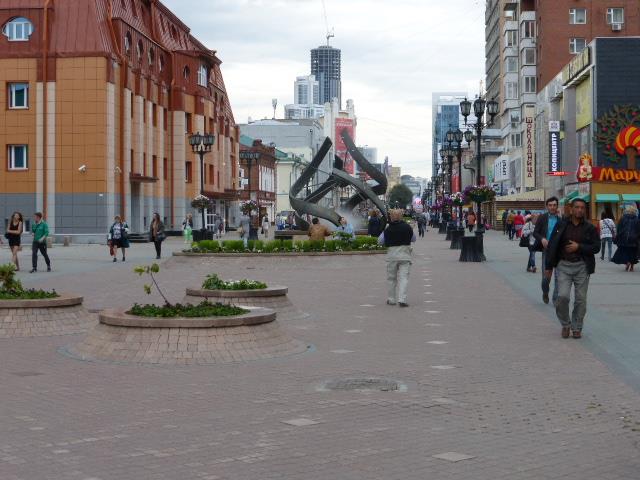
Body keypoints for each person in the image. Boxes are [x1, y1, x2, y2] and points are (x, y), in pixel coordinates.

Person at [545, 198, 600, 339]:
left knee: (581, 299)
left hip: (582, 266)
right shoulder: (562, 224)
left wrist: (579, 247)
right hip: (563, 266)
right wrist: (549, 267)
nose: (580, 210)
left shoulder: (590, 227)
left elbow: (596, 247)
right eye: (577, 207)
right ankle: (565, 324)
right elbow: (552, 245)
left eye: (582, 207)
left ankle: (577, 327)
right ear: (571, 209)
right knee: (562, 297)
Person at [378, 209, 416, 307]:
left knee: (391, 278)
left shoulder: (388, 228)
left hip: (392, 256)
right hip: (405, 255)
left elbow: (380, 241)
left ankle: (391, 299)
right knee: (404, 278)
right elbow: (414, 238)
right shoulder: (407, 227)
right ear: (401, 216)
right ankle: (402, 299)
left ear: (391, 217)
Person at [533, 196, 561, 305]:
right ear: (547, 206)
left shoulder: (561, 219)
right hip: (547, 250)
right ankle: (545, 292)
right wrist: (542, 239)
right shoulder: (542, 218)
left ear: (557, 206)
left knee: (559, 277)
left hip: (558, 251)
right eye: (550, 205)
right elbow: (535, 233)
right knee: (546, 277)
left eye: (554, 205)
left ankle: (555, 298)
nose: (552, 207)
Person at [611, 204, 640, 272]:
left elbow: (619, 229)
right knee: (633, 253)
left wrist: (618, 237)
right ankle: (632, 266)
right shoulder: (637, 220)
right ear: (634, 212)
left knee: (625, 252)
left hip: (624, 239)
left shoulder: (623, 218)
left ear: (627, 211)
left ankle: (627, 262)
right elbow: (639, 230)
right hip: (634, 239)